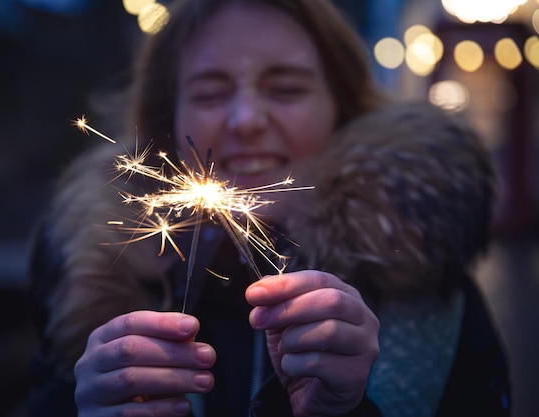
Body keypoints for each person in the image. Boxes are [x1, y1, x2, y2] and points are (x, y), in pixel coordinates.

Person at [27, 0, 511, 416]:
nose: (246, 120)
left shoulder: (432, 291)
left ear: (341, 108)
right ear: (167, 119)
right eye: (210, 93)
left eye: (287, 89)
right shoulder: (88, 291)